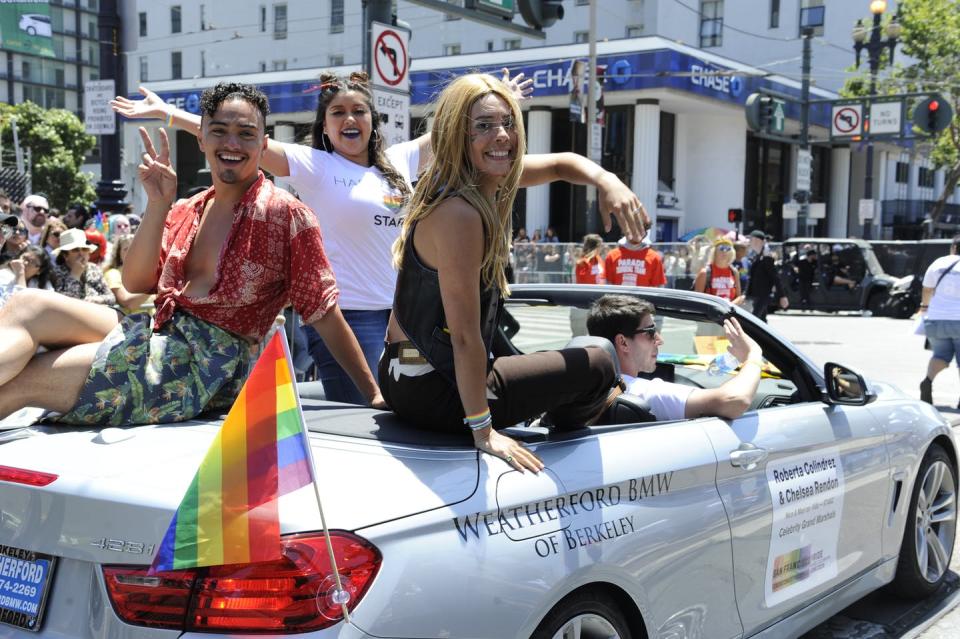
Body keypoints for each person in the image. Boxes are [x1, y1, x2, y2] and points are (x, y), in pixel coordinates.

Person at [112, 71, 535, 406]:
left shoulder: (401, 160)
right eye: (337, 112)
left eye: (359, 111)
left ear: (374, 121)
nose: (350, 120)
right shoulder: (312, 164)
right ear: (324, 125)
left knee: (416, 415)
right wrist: (167, 113)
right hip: (347, 319)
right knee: (372, 421)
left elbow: (456, 122)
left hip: (405, 318)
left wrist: (499, 100)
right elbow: (236, 136)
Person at [0, 82, 383, 424]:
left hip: (209, 366)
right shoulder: (187, 207)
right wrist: (158, 203)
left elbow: (325, 314)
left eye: (246, 134)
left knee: (27, 380)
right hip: (158, 332)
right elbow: (137, 282)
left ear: (262, 146)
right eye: (219, 132)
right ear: (202, 139)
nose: (232, 144)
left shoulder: (287, 214)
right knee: (28, 304)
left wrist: (374, 394)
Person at [381, 73, 647, 473]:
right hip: (434, 390)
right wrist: (483, 431)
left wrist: (607, 180)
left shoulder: (477, 182)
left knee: (571, 355)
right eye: (484, 126)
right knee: (600, 361)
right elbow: (467, 338)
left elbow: (561, 163)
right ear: (456, 134)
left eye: (508, 122)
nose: (502, 135)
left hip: (408, 377)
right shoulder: (460, 214)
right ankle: (549, 438)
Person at [587, 294, 764, 420]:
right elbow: (734, 400)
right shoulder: (645, 393)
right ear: (623, 342)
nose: (659, 339)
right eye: (650, 332)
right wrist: (753, 356)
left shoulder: (581, 386)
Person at [918, 234, 960, 406]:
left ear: (953, 247)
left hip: (936, 318)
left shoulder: (938, 263)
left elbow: (927, 289)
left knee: (940, 355)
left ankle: (928, 381)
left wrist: (925, 308)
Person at [50, 228, 116, 307]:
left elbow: (111, 298)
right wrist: (75, 275)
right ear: (65, 255)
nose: (81, 254)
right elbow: (65, 304)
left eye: (84, 249)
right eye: (75, 250)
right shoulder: (57, 272)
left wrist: (97, 299)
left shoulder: (94, 268)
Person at [735, 229, 787, 321]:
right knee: (761, 322)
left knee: (754, 321)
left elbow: (775, 278)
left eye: (752, 240)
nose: (750, 242)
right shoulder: (757, 257)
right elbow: (751, 278)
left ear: (758, 241)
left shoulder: (767, 258)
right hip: (755, 297)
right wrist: (745, 294)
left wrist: (782, 296)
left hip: (762, 296)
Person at [103, 234, 153, 313]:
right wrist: (154, 286)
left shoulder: (148, 273)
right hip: (132, 324)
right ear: (118, 253)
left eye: (134, 248)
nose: (131, 252)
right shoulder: (113, 274)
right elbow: (128, 303)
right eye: (126, 249)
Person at [693, 237, 740, 301]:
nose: (724, 252)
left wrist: (730, 307)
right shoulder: (705, 273)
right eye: (721, 248)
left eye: (728, 249)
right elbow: (697, 300)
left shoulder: (734, 272)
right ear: (714, 252)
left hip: (729, 310)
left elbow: (738, 297)